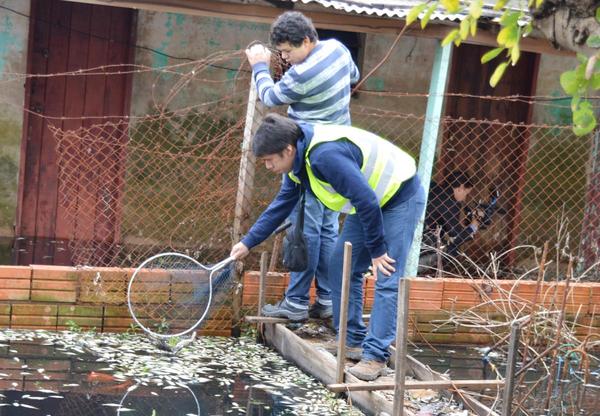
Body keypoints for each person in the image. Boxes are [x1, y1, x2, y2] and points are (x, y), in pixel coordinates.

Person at [230, 113, 426, 382]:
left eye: (269, 160)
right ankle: (354, 340)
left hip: (400, 195)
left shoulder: (324, 156)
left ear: (287, 150)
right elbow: (281, 205)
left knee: (387, 274)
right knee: (340, 267)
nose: (267, 166)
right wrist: (247, 242)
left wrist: (378, 250)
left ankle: (375, 356)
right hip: (368, 200)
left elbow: (367, 200)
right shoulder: (297, 165)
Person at [244, 11, 360, 321]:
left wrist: (259, 65)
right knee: (325, 229)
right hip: (339, 154)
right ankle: (325, 298)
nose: (284, 58)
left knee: (305, 229)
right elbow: (354, 76)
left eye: (287, 51)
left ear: (306, 41)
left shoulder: (301, 75)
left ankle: (295, 302)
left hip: (307, 156)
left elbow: (269, 96)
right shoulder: (338, 49)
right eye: (280, 53)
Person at [422, 171, 480, 259]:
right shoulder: (450, 201)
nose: (465, 198)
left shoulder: (434, 187)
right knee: (452, 249)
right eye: (466, 194)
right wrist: (473, 226)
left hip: (417, 232)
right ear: (460, 187)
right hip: (423, 242)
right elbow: (456, 237)